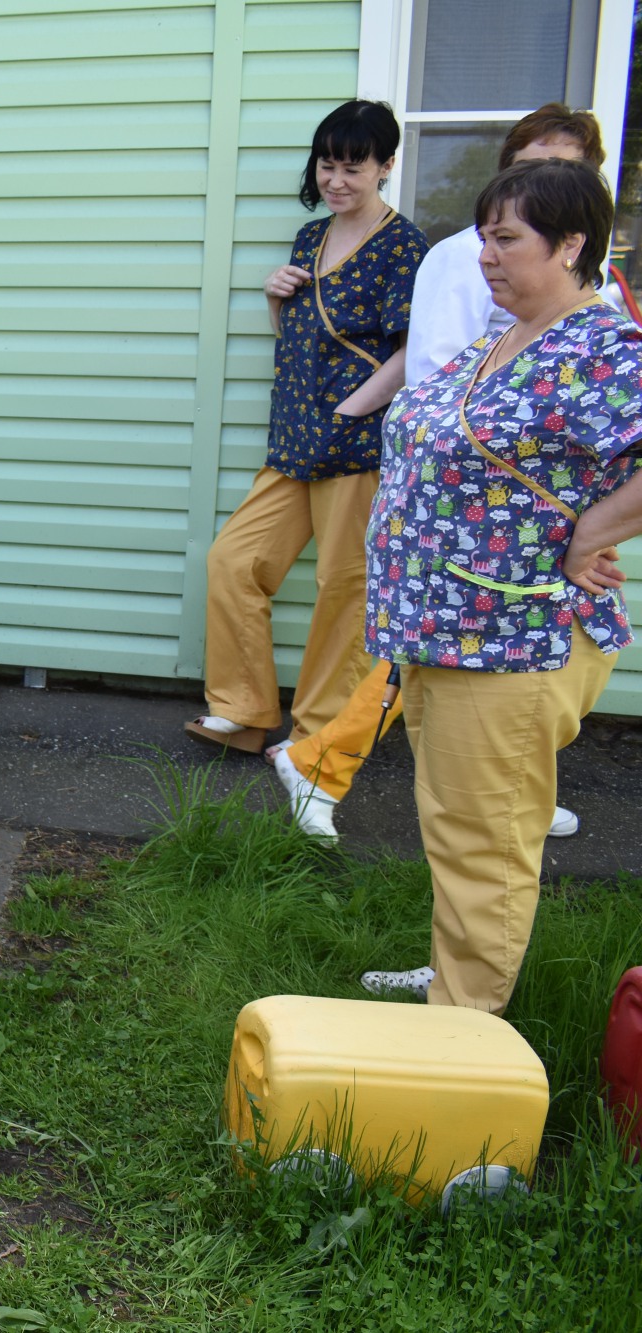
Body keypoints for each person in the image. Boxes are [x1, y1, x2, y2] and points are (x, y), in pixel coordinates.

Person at [271, 106, 617, 842]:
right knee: (431, 659)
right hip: (473, 512)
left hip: (540, 520)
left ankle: (510, 781)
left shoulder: (596, 287)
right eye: (530, 165)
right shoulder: (465, 259)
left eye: (567, 169)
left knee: (503, 676)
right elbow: (435, 377)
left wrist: (596, 522)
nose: (547, 182)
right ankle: (324, 761)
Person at [356, 159, 641, 1009]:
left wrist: (595, 529)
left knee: (488, 840)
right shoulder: (507, 332)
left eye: (507, 238)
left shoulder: (599, 345)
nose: (486, 254)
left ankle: (466, 1030)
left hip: (515, 639)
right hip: (451, 626)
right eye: (484, 235)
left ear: (571, 243)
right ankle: (458, 975)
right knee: (456, 826)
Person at [188, 101, 428, 754]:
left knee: (342, 590)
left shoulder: (403, 246)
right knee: (234, 561)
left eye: (354, 167)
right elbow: (301, 339)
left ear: (386, 167)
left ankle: (319, 738)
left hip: (354, 446)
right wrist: (274, 299)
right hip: (294, 439)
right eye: (328, 164)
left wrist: (351, 410)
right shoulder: (310, 238)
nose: (337, 180)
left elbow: (413, 353)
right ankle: (244, 709)